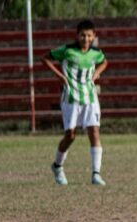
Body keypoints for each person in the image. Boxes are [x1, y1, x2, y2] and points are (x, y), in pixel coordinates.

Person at [43, 19, 108, 186]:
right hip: (71, 98)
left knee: (94, 132)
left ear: (94, 36)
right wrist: (59, 75)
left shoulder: (96, 53)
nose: (85, 39)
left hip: (90, 98)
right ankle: (57, 166)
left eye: (88, 36)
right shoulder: (67, 50)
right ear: (77, 35)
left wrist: (96, 75)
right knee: (70, 136)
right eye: (82, 35)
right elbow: (45, 58)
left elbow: (104, 62)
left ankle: (96, 174)